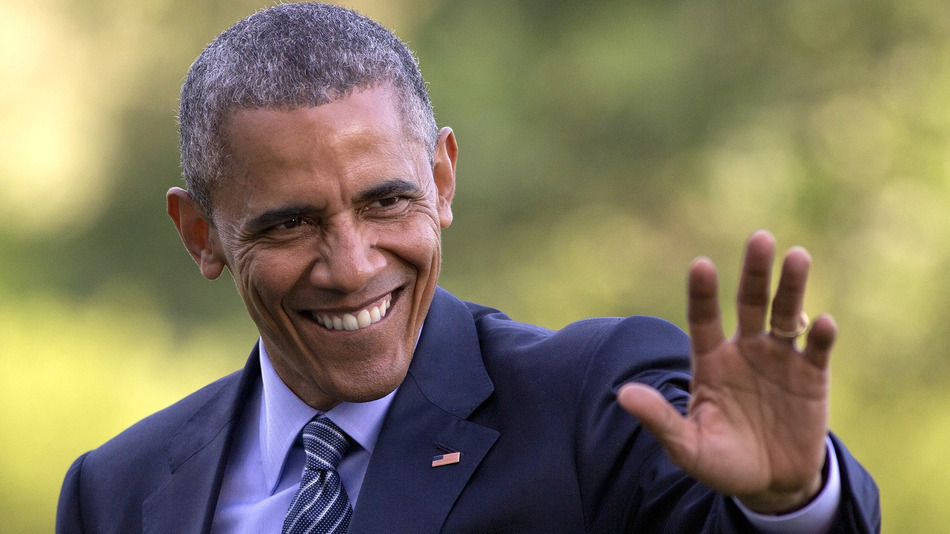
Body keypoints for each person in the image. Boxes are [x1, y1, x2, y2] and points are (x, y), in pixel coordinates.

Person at [56, 3, 880, 533]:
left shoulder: (594, 406)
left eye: (385, 203)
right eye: (291, 224)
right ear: (200, 233)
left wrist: (790, 505)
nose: (350, 266)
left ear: (442, 180)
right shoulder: (115, 495)